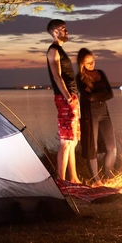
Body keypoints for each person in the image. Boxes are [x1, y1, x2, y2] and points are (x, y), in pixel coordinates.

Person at [46, 19, 81, 183]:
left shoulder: (60, 50)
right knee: (65, 141)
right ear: (55, 32)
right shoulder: (53, 50)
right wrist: (68, 97)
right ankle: (61, 180)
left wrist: (73, 97)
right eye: (63, 29)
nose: (66, 31)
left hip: (72, 98)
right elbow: (57, 76)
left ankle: (73, 178)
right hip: (64, 99)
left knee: (72, 140)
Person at [76, 47, 116, 182]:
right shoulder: (80, 77)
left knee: (112, 147)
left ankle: (108, 176)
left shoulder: (101, 73)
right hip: (90, 114)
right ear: (82, 64)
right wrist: (101, 94)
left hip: (104, 112)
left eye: (92, 61)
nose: (92, 64)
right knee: (92, 148)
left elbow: (110, 94)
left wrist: (95, 94)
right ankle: (96, 179)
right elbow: (88, 98)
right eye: (88, 62)